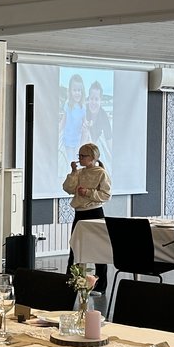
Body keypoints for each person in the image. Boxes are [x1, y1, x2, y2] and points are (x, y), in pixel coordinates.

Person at [63, 142, 111, 286]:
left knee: (98, 249)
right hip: (80, 214)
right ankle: (72, 281)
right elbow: (68, 188)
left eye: (83, 156)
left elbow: (106, 195)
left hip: (95, 213)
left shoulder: (101, 173)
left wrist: (89, 193)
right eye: (79, 155)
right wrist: (73, 172)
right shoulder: (80, 172)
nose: (80, 158)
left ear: (93, 157)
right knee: (75, 247)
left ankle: (100, 284)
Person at [79, 80, 113, 167]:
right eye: (91, 99)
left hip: (93, 145)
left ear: (100, 100)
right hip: (80, 144)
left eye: (96, 99)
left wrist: (114, 158)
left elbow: (109, 140)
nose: (93, 102)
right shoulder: (83, 112)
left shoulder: (103, 116)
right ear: (88, 99)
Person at [57, 73, 86, 174]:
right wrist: (56, 132)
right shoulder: (68, 105)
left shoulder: (83, 107)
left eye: (79, 90)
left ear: (82, 91)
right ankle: (71, 177)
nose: (77, 93)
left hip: (77, 139)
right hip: (68, 138)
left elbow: (84, 123)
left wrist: (86, 125)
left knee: (77, 160)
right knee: (71, 161)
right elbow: (63, 121)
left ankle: (76, 177)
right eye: (74, 90)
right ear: (70, 91)